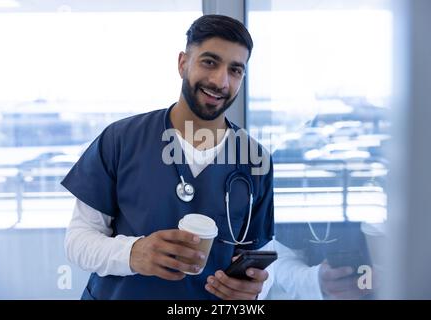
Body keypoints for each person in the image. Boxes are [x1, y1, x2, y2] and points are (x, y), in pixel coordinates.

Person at [61, 14, 274, 300]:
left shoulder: (254, 159)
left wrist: (252, 289)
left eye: (235, 70)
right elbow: (77, 242)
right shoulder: (121, 140)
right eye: (209, 62)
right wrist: (134, 254)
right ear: (183, 63)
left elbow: (257, 259)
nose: (220, 80)